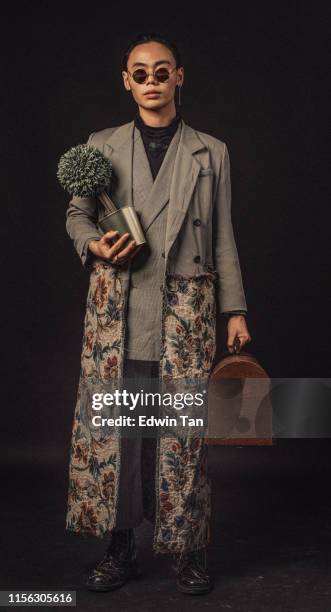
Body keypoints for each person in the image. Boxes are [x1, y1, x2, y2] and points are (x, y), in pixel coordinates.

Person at [65, 31, 252, 596]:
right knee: (119, 430)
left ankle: (187, 550)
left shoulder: (210, 151)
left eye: (161, 71)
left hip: (185, 311)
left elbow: (222, 236)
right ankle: (119, 548)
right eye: (140, 73)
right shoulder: (99, 145)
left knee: (182, 431)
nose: (151, 82)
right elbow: (78, 214)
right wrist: (93, 244)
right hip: (118, 308)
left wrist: (234, 310)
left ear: (178, 77)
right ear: (127, 81)